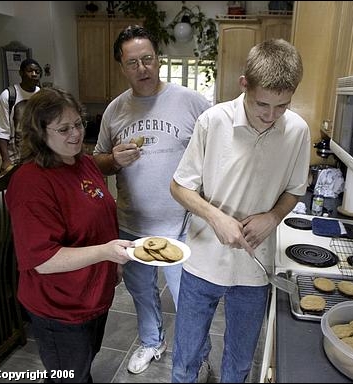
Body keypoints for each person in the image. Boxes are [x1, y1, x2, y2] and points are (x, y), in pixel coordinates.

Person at [170, 38, 311, 382]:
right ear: (244, 84)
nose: (271, 116)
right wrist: (215, 216)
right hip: (202, 263)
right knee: (186, 359)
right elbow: (179, 187)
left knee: (240, 364)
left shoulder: (297, 131)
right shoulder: (211, 122)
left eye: (282, 106)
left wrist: (273, 217)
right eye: (263, 103)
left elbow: (294, 191)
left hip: (254, 271)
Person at [92, 25, 211, 375]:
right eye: (133, 63)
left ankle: (197, 355)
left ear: (158, 59)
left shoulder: (192, 103)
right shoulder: (115, 111)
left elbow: (216, 153)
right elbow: (97, 161)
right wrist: (114, 159)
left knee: (189, 300)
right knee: (142, 293)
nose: (142, 68)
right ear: (122, 67)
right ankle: (151, 341)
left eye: (147, 59)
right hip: (133, 226)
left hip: (183, 225)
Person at [5, 87, 133, 383]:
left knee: (81, 367)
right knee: (69, 375)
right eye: (64, 128)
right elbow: (43, 259)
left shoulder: (83, 162)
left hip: (92, 295)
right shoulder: (30, 183)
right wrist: (106, 252)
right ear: (39, 132)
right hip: (59, 308)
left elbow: (100, 221)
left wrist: (112, 263)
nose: (75, 133)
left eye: (78, 123)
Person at [0, 58, 42, 174]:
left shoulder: (41, 94)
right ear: (21, 73)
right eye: (30, 71)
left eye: (37, 72)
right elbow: (0, 131)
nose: (34, 74)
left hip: (35, 158)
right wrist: (6, 160)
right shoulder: (8, 95)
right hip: (13, 158)